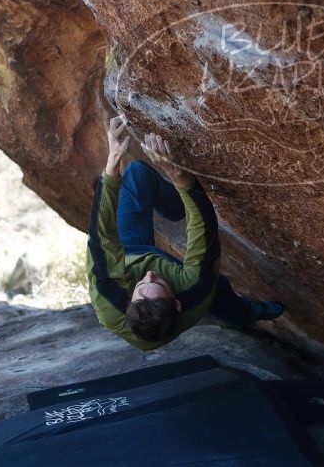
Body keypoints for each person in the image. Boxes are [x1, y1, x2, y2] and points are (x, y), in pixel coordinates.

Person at [86, 116, 283, 350]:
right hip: (180, 286)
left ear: (129, 300)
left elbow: (102, 233)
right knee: (214, 285)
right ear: (177, 304)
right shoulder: (192, 290)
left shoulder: (108, 293)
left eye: (141, 287)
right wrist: (178, 174)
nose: (149, 275)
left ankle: (176, 205)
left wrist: (113, 159)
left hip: (130, 256)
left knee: (137, 173)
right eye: (156, 282)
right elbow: (204, 225)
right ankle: (243, 315)